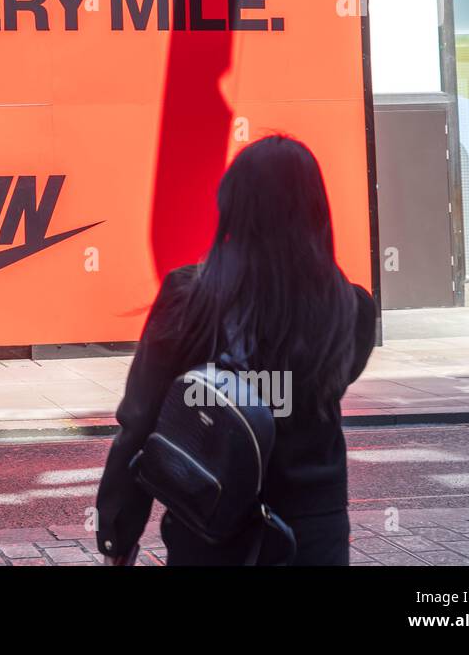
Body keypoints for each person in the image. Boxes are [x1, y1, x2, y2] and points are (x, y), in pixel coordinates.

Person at [95, 136, 377, 566]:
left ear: (233, 205)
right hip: (313, 533)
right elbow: (321, 389)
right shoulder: (351, 308)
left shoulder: (187, 296)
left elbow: (139, 421)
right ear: (317, 210)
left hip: (209, 523)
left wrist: (120, 532)